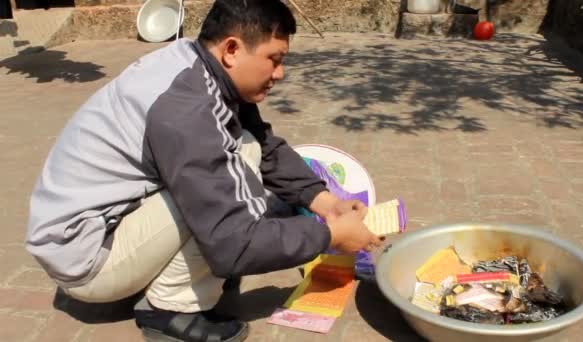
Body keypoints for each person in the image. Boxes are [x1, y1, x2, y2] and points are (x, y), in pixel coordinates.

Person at [25, 0, 381, 341]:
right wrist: (330, 236)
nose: (280, 73)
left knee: (245, 147)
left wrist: (325, 203)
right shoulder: (188, 109)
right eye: (273, 59)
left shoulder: (195, 63)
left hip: (95, 228)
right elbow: (234, 244)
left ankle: (159, 275)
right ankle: (169, 310)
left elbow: (261, 140)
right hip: (86, 262)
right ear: (231, 49)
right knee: (236, 169)